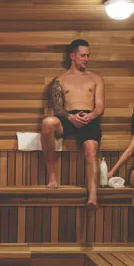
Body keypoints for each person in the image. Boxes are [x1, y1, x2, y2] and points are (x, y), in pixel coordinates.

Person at [41, 39, 105, 208]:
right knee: (47, 122)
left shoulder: (96, 79)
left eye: (88, 55)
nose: (87, 59)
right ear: (72, 56)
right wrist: (70, 118)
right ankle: (53, 176)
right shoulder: (60, 80)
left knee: (91, 150)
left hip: (89, 119)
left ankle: (92, 196)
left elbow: (99, 106)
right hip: (67, 119)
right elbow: (57, 108)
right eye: (83, 55)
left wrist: (91, 116)